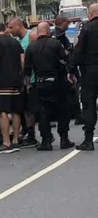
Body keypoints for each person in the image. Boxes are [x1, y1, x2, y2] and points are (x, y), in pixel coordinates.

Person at [25, 22, 75, 151]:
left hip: (40, 83)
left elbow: (27, 69)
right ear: (48, 31)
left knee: (43, 112)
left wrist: (29, 85)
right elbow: (66, 58)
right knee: (63, 110)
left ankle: (46, 141)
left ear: (38, 31)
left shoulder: (31, 47)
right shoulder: (55, 44)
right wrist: (70, 74)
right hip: (57, 81)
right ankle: (64, 138)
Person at [0, 22, 25, 154]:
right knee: (16, 111)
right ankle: (15, 140)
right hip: (16, 80)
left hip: (3, 81)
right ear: (4, 30)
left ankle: (6, 142)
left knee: (2, 111)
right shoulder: (15, 42)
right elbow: (22, 60)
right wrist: (22, 77)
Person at [7, 17, 38, 148]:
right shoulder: (16, 41)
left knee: (33, 108)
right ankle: (28, 131)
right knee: (24, 108)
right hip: (22, 79)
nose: (9, 30)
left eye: (11, 27)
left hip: (33, 78)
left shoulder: (31, 36)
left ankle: (35, 134)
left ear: (19, 25)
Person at [71, 3, 98, 151]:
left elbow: (79, 50)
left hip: (90, 71)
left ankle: (88, 139)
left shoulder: (87, 28)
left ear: (91, 13)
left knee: (89, 104)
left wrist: (72, 68)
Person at [53, 15, 85, 126]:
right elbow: (65, 53)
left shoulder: (58, 34)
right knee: (71, 91)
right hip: (65, 69)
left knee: (71, 92)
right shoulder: (58, 35)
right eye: (67, 22)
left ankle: (76, 115)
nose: (68, 24)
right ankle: (77, 115)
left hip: (64, 68)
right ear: (62, 22)